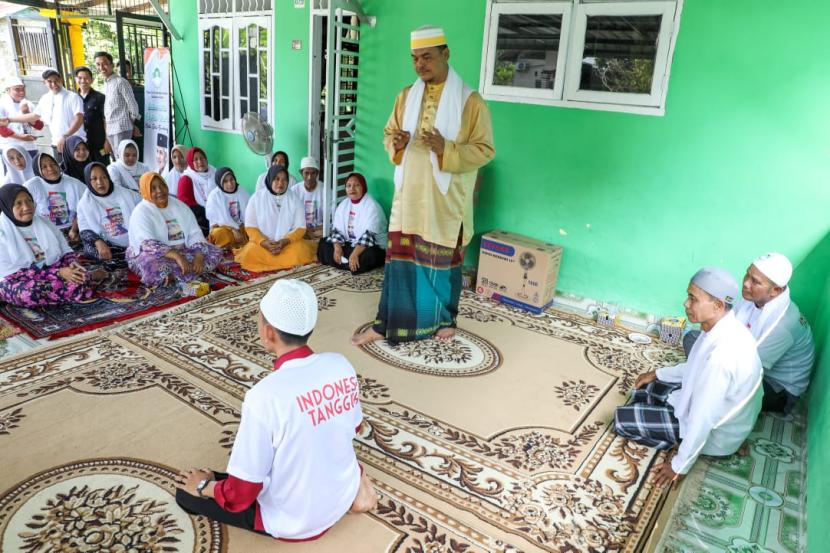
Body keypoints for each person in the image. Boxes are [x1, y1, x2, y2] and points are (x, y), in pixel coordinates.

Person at [175, 278, 378, 540]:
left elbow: (241, 495)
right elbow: (353, 427)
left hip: (296, 520)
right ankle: (357, 486)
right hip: (341, 492)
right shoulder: (340, 363)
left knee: (186, 493)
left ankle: (206, 483)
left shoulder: (264, 395)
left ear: (268, 332)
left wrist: (204, 487)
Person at [351, 26, 495, 346]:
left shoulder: (471, 102)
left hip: (445, 199)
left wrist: (447, 149)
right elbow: (389, 133)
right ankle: (386, 322)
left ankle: (445, 320)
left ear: (445, 54)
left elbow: (485, 150)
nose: (420, 65)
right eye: (415, 59)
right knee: (400, 259)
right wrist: (396, 142)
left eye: (427, 57)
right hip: (410, 195)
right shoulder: (405, 96)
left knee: (441, 261)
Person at [614, 267, 764, 487]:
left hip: (715, 431)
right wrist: (656, 373)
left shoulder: (722, 357)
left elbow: (703, 417)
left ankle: (681, 442)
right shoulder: (721, 327)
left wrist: (679, 466)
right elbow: (693, 367)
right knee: (643, 390)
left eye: (693, 299)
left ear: (718, 306)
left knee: (621, 420)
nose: (686, 303)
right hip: (707, 407)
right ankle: (670, 427)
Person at [684, 254, 815, 414]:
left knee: (721, 386)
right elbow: (725, 326)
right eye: (748, 274)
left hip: (777, 390)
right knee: (693, 339)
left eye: (755, 281)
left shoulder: (783, 324)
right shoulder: (753, 296)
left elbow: (748, 370)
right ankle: (702, 380)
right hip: (744, 359)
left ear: (775, 290)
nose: (746, 283)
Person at [0, 184, 100, 307]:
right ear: (7, 207)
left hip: (52, 270)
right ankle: (74, 290)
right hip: (19, 280)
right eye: (18, 204)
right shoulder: (2, 233)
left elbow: (65, 249)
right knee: (26, 294)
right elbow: (14, 275)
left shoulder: (44, 222)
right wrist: (59, 273)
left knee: (81, 276)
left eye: (29, 201)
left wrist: (72, 263)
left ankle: (69, 289)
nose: (26, 207)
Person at [127, 172, 222, 287]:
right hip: (154, 254)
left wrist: (198, 256)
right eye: (153, 188)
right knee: (151, 265)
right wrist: (178, 257)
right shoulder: (141, 212)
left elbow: (194, 232)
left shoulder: (179, 206)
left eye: (162, 185)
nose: (159, 191)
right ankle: (179, 274)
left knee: (214, 252)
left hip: (183, 248)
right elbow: (148, 244)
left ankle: (180, 275)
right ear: (145, 191)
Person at [234, 165, 317, 272]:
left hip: (286, 244)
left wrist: (284, 242)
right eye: (277, 179)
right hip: (263, 245)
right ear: (270, 179)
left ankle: (276, 259)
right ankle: (280, 260)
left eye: (284, 180)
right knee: (251, 252)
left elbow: (300, 228)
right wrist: (264, 242)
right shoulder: (256, 198)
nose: (280, 183)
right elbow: (250, 227)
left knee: (300, 251)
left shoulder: (294, 199)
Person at [318, 172, 387, 274]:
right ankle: (348, 263)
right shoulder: (343, 204)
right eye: (349, 186)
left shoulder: (372, 206)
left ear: (363, 187)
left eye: (356, 185)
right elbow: (337, 231)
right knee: (324, 244)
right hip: (350, 244)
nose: (352, 189)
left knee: (369, 255)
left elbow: (368, 237)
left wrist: (355, 254)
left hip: (370, 246)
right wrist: (337, 248)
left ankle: (347, 261)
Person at [77, 162, 140, 271]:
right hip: (109, 245)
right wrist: (98, 242)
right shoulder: (85, 203)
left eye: (103, 177)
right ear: (88, 180)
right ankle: (124, 260)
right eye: (94, 179)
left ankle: (127, 259)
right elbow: (84, 230)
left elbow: (145, 209)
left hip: (133, 241)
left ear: (108, 177)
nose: (100, 182)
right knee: (89, 247)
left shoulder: (126, 194)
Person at [12, 70, 86, 162]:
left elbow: (79, 118)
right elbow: (34, 116)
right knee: (63, 172)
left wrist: (65, 136)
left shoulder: (73, 97)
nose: (54, 84)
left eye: (56, 80)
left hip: (75, 144)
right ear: (44, 83)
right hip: (57, 143)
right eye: (50, 81)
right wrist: (10, 120)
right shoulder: (45, 99)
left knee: (79, 173)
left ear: (61, 80)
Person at [24, 152, 85, 243]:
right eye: (44, 167)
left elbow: (86, 208)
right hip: (45, 231)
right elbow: (26, 213)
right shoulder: (32, 186)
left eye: (53, 164)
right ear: (38, 170)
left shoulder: (74, 183)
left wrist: (75, 229)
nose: (50, 168)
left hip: (75, 227)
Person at [94, 52, 141, 160]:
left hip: (121, 127)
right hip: (110, 128)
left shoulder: (121, 82)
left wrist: (130, 122)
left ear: (111, 64)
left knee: (123, 159)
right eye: (98, 64)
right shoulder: (106, 84)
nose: (101, 67)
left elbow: (133, 106)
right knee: (115, 159)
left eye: (104, 63)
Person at [205, 166, 250, 249]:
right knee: (219, 233)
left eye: (231, 179)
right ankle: (230, 248)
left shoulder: (242, 191)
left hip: (242, 226)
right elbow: (216, 221)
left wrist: (241, 227)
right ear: (220, 183)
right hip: (224, 228)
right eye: (225, 181)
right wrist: (232, 229)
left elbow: (250, 213)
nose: (230, 184)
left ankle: (238, 246)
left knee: (253, 230)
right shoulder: (215, 196)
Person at [0, 77, 43, 160]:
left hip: (29, 147)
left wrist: (26, 113)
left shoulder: (28, 104)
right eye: (17, 89)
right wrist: (21, 137)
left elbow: (39, 126)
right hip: (10, 147)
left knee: (33, 172)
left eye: (23, 89)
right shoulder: (2, 104)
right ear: (8, 90)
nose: (21, 92)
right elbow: (1, 128)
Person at [177, 147, 217, 235]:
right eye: (195, 159)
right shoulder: (186, 179)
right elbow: (185, 206)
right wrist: (207, 212)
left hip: (218, 212)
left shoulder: (214, 172)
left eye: (202, 158)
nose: (200, 161)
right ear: (191, 162)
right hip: (199, 221)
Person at [291, 156, 330, 240]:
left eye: (313, 173)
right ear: (301, 173)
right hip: (301, 229)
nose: (309, 177)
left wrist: (322, 228)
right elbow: (290, 216)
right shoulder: (294, 191)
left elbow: (332, 216)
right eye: (306, 173)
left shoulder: (325, 190)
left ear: (317, 174)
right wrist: (304, 230)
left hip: (320, 230)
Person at [74, 66, 107, 163]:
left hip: (99, 143)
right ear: (76, 79)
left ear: (91, 80)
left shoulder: (100, 97)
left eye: (86, 78)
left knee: (102, 166)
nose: (83, 81)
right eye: (80, 78)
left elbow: (106, 121)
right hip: (80, 144)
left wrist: (107, 141)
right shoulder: (73, 98)